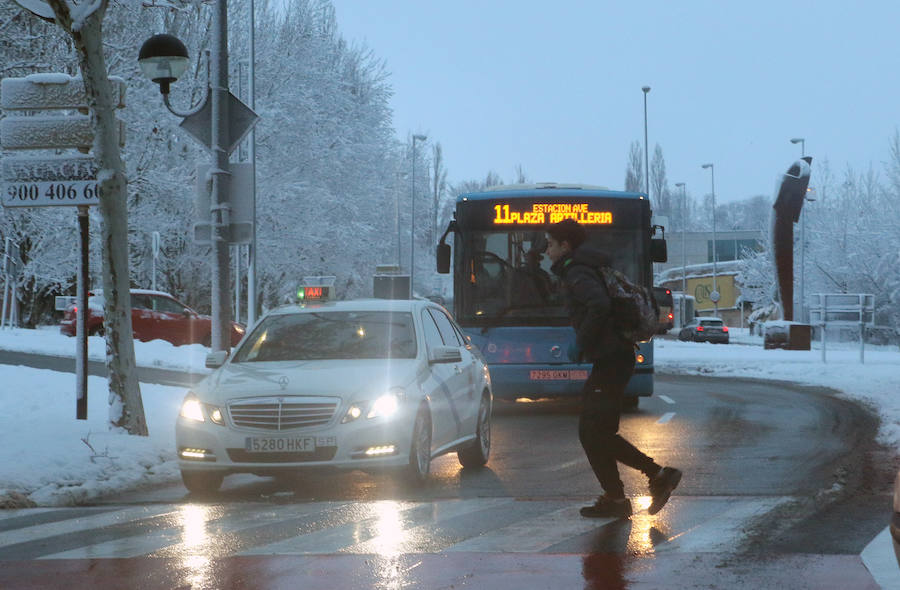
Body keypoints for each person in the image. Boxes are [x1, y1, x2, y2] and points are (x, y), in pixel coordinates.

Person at [546, 218, 682, 518]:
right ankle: (617, 498)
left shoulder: (577, 270)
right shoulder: (588, 265)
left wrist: (581, 341)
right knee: (595, 431)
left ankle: (657, 475)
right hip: (614, 356)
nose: (546, 251)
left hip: (611, 358)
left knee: (593, 431)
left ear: (565, 246)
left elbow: (598, 305)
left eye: (550, 244)